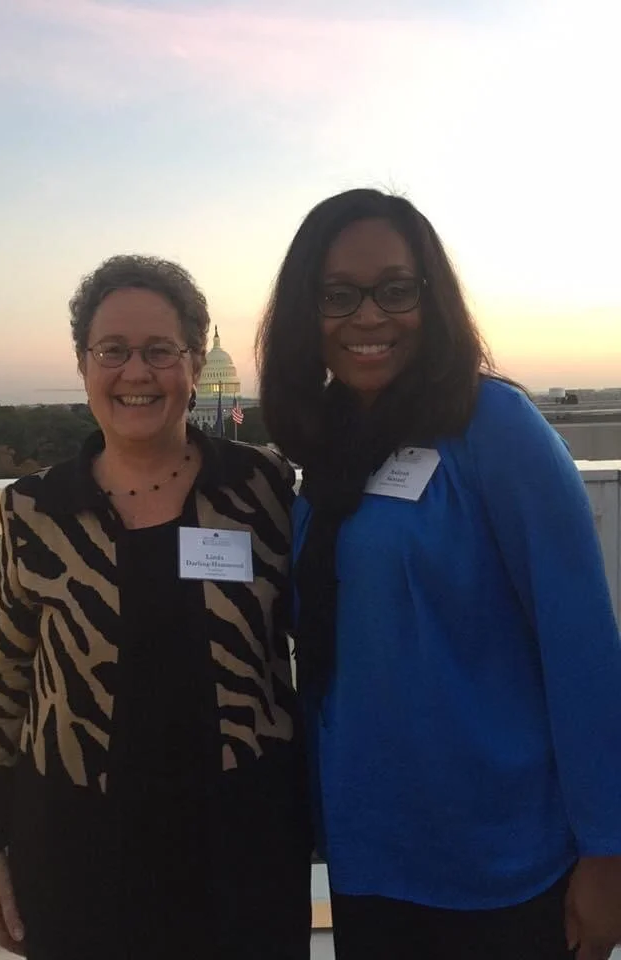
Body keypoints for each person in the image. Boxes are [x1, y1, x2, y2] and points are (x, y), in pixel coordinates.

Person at [256, 188, 621, 960]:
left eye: (396, 289)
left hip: (503, 861)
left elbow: (582, 649)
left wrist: (608, 854)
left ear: (432, 299)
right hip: (372, 853)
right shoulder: (329, 447)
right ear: (306, 311)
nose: (368, 317)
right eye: (337, 295)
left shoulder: (495, 428)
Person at [0, 255, 311, 960]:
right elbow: (3, 681)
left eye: (160, 351)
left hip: (241, 846)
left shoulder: (262, 488)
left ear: (193, 363)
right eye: (112, 351)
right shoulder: (37, 509)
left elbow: (323, 637)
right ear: (84, 364)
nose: (136, 373)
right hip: (76, 849)